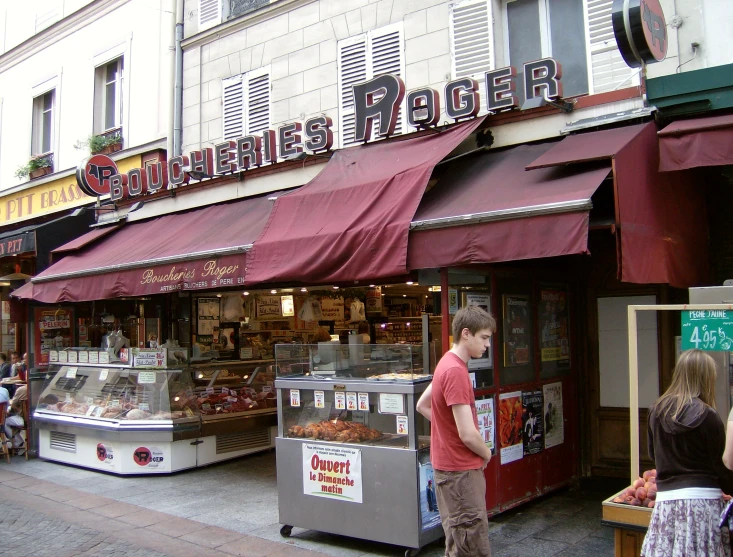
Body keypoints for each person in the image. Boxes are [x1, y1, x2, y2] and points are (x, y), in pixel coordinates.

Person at [416, 305, 495, 557]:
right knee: (470, 545)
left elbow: (423, 405)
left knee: (458, 541)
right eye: (484, 337)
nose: (487, 345)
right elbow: (468, 434)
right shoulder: (455, 371)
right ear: (466, 333)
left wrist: (447, 431)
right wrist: (487, 453)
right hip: (460, 472)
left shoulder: (445, 363)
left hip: (449, 470)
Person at [641, 349, 733, 557]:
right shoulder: (709, 416)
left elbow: (653, 455)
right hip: (705, 503)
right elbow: (719, 465)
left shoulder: (656, 411)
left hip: (667, 502)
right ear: (705, 378)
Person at [5, 383, 27, 455]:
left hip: (23, 419)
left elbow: (13, 405)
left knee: (4, 421)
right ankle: (18, 443)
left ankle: (18, 443)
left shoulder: (21, 390)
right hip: (33, 419)